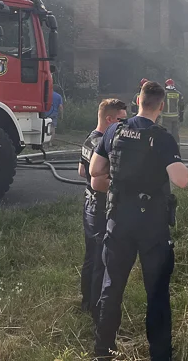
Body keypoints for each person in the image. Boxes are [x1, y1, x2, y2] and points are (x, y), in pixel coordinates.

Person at [90, 81, 188, 361]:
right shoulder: (162, 137)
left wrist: (119, 183)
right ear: (161, 106)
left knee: (112, 287)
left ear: (137, 101)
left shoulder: (115, 130)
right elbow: (181, 180)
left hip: (119, 219)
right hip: (152, 225)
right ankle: (159, 355)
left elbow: (95, 172)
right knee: (156, 292)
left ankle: (104, 350)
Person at [79, 98, 127, 321]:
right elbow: (99, 183)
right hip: (100, 206)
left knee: (90, 256)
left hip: (88, 205)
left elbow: (82, 171)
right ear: (110, 119)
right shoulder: (106, 144)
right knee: (101, 259)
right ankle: (97, 309)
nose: (124, 126)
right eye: (121, 120)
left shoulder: (90, 138)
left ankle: (86, 301)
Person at [161, 79, 184, 144]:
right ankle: (177, 148)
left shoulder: (164, 94)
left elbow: (160, 103)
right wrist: (181, 116)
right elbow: (182, 106)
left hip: (166, 117)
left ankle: (167, 148)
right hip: (175, 117)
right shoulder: (179, 94)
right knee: (175, 134)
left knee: (167, 134)